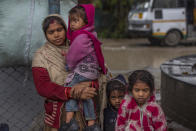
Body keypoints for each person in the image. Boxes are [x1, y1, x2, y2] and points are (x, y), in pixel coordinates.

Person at [32, 14, 97, 131]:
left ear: (65, 29)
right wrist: (72, 92)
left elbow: (97, 73)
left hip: (86, 110)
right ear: (45, 35)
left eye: (59, 30)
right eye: (51, 32)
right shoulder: (41, 55)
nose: (56, 35)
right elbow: (42, 86)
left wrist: (87, 85)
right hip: (58, 113)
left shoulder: (80, 46)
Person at [62, 4, 106, 131]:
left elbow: (73, 56)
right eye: (71, 21)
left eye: (76, 21)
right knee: (87, 96)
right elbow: (84, 52)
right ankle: (92, 124)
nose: (72, 24)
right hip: (92, 72)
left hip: (82, 72)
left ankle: (69, 121)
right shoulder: (91, 33)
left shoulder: (80, 37)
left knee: (70, 89)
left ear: (85, 21)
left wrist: (68, 65)